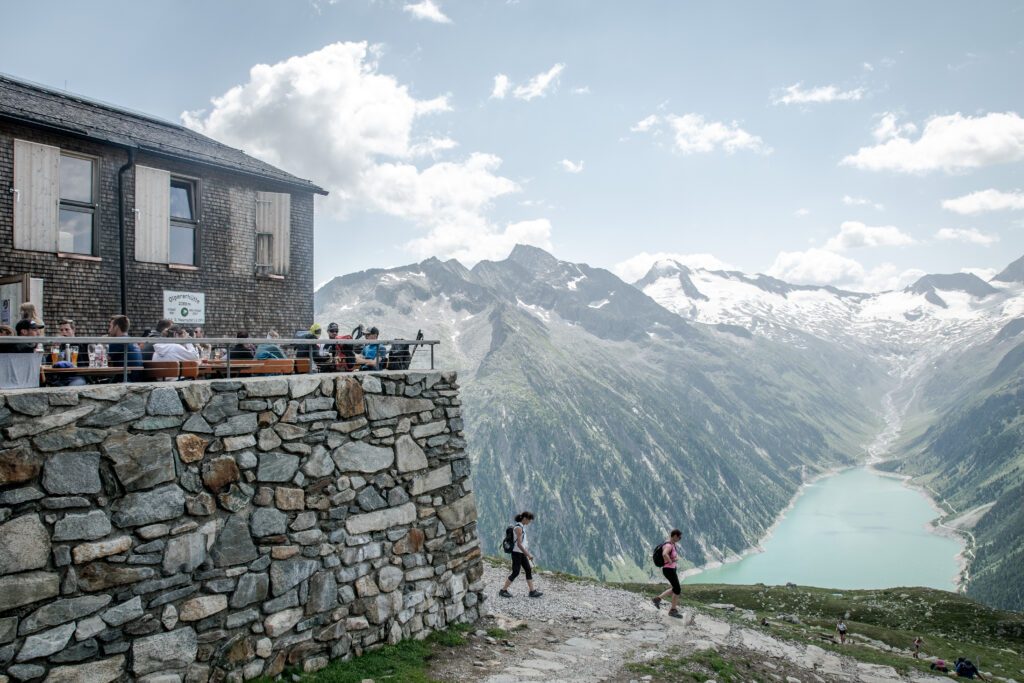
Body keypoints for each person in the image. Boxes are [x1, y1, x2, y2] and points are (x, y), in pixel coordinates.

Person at [498, 511, 543, 598]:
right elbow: (519, 544)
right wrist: (528, 554)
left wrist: (525, 553)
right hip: (517, 553)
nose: (529, 522)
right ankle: (503, 590)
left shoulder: (521, 527)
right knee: (515, 572)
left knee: (528, 569)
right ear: (525, 519)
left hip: (521, 553)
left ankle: (532, 591)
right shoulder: (519, 528)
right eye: (529, 520)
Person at [652, 529, 684, 619]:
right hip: (668, 569)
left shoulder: (671, 544)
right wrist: (670, 561)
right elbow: (664, 553)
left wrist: (674, 559)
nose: (680, 539)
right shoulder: (668, 545)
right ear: (674, 536)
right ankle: (673, 610)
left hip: (671, 569)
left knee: (675, 588)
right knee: (677, 589)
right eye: (679, 537)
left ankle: (657, 599)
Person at [52, 318, 90, 386]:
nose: (64, 332)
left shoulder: (81, 344)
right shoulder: (59, 345)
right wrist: (56, 347)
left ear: (73, 330)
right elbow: (51, 362)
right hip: (61, 376)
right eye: (61, 330)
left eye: (66, 329)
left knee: (73, 386)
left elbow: (85, 364)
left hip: (77, 376)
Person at [106, 315, 143, 382]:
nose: (109, 330)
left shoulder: (119, 341)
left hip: (125, 379)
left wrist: (102, 345)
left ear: (116, 327)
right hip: (136, 379)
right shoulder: (131, 340)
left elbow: (104, 359)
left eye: (110, 326)